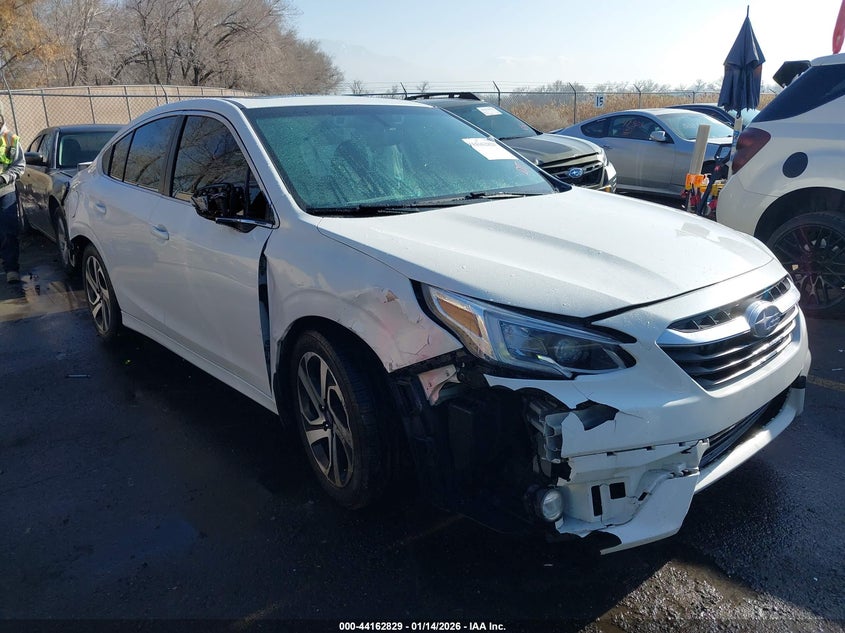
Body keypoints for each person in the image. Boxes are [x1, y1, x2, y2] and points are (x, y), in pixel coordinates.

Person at [0, 102, 25, 283]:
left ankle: (11, 269)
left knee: (8, 231)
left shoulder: (11, 139)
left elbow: (20, 166)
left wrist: (3, 178)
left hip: (5, 192)